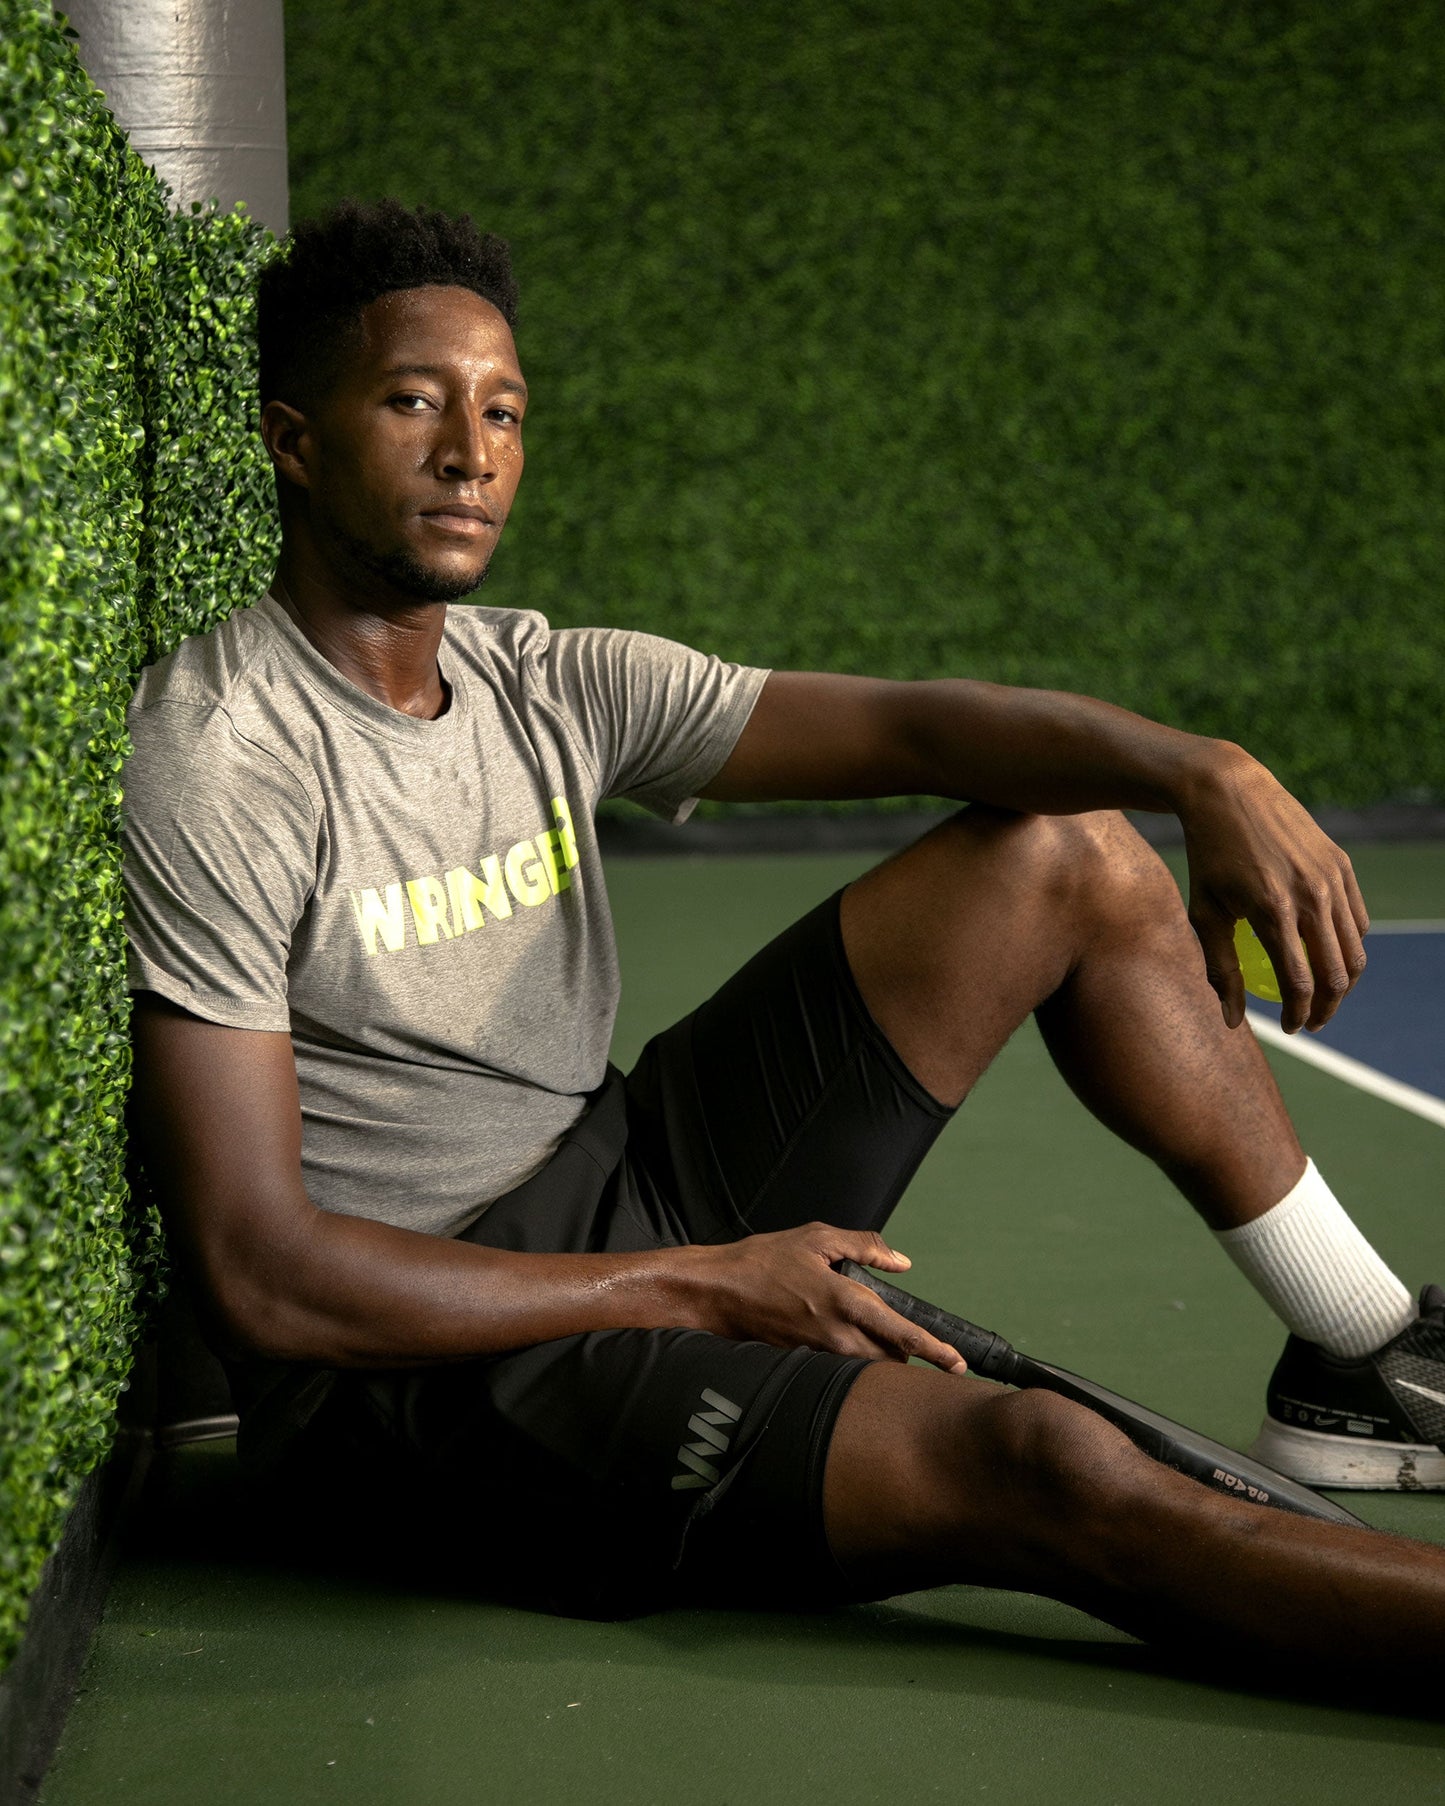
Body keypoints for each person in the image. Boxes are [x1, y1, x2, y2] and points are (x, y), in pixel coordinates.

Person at [124, 200, 1445, 1666]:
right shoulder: (226, 755)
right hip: (410, 1377)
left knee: (1063, 841)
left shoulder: (537, 681)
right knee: (1044, 1465)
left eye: (502, 409)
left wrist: (1197, 765)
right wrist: (701, 1284)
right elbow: (260, 1271)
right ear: (294, 441)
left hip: (616, 1176)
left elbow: (909, 722)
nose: (470, 452)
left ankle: (1359, 1349)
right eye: (414, 402)